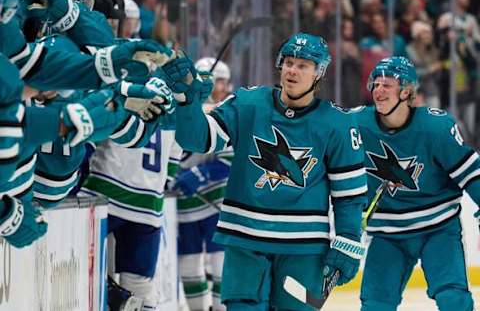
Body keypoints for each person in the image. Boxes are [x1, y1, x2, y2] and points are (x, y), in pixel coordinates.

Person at [164, 33, 368, 310]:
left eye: (303, 65)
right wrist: (186, 103)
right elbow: (197, 139)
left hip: (303, 248)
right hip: (245, 241)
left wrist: (348, 239)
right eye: (289, 63)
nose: (292, 70)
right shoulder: (247, 103)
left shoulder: (338, 124)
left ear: (319, 73)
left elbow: (349, 195)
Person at [356, 56, 480, 311]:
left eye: (386, 85)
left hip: (438, 229)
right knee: (375, 305)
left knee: (453, 299)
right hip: (387, 233)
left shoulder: (435, 127)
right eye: (375, 84)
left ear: (407, 91)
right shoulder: (356, 125)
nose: (378, 91)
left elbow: (470, 173)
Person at [174, 57, 233, 311]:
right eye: (215, 80)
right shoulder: (181, 108)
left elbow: (227, 161)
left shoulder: (224, 111)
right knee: (188, 265)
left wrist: (196, 175)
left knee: (220, 262)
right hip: (183, 203)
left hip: (215, 201)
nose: (219, 86)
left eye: (222, 81)